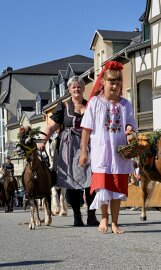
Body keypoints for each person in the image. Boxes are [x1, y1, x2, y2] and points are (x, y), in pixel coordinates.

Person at [80, 61, 137, 234]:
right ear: (103, 83)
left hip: (119, 153)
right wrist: (84, 152)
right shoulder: (95, 103)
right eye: (112, 82)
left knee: (118, 188)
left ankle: (115, 222)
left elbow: (132, 125)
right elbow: (86, 129)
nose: (115, 86)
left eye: (118, 83)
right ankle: (104, 219)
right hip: (101, 153)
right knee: (104, 187)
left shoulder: (125, 105)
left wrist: (130, 129)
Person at [38, 75, 99, 227]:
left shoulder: (91, 105)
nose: (77, 89)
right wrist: (42, 141)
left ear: (84, 89)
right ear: (69, 90)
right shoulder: (63, 106)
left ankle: (91, 215)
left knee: (91, 181)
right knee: (72, 183)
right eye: (74, 87)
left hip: (89, 144)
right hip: (69, 147)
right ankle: (77, 217)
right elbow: (51, 126)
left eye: (79, 86)